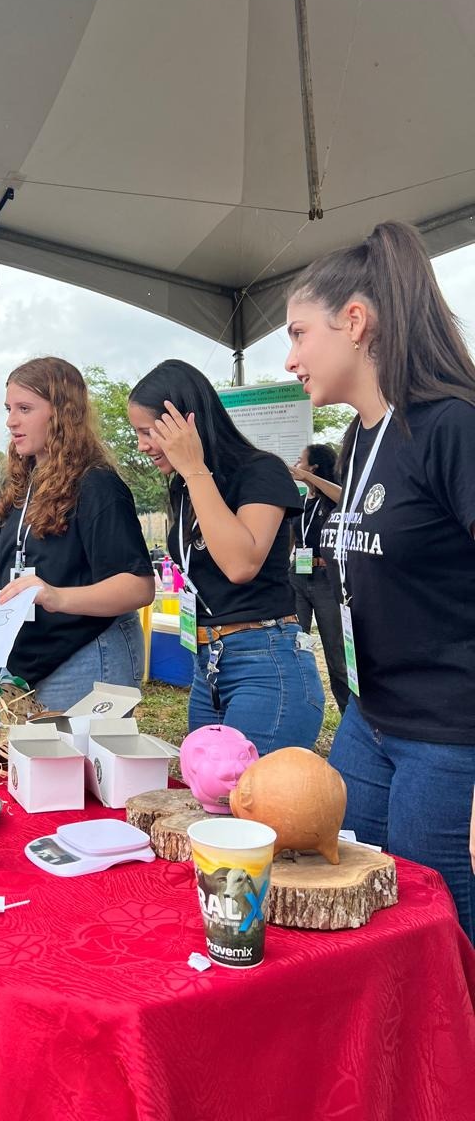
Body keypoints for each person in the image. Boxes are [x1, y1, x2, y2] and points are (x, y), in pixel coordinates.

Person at [284, 219, 475, 943]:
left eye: (301, 333)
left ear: (355, 322)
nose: (292, 356)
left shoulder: (449, 425)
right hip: (369, 719)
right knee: (366, 922)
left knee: (446, 942)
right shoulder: (362, 435)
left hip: (450, 739)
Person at [0, 357, 155, 700]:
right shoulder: (23, 484)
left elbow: (138, 587)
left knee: (80, 756)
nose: (11, 421)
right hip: (32, 659)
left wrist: (56, 596)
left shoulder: (96, 485)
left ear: (64, 413)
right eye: (8, 408)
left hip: (89, 654)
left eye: (24, 408)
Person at [127, 360, 324, 755]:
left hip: (263, 660)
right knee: (209, 802)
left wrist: (195, 469)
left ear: (184, 423)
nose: (142, 445)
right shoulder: (184, 486)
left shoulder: (259, 470)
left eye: (148, 432)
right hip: (208, 664)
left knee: (248, 803)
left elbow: (240, 564)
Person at [289, 443, 349, 715]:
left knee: (336, 654)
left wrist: (309, 479)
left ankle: (350, 716)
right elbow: (292, 539)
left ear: (313, 466)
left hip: (326, 579)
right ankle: (298, 711)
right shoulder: (300, 502)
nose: (297, 465)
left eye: (301, 461)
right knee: (293, 644)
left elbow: (345, 498)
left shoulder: (333, 500)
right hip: (297, 578)